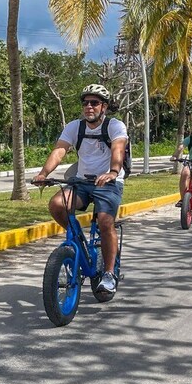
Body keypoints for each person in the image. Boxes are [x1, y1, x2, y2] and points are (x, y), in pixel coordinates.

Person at [33, 84, 128, 295]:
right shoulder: (75, 127)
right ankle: (78, 242)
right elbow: (60, 150)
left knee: (105, 222)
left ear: (104, 106)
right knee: (57, 204)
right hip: (82, 182)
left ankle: (109, 273)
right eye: (85, 103)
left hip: (109, 182)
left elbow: (118, 149)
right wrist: (43, 173)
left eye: (94, 103)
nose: (89, 107)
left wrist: (113, 171)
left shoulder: (115, 126)